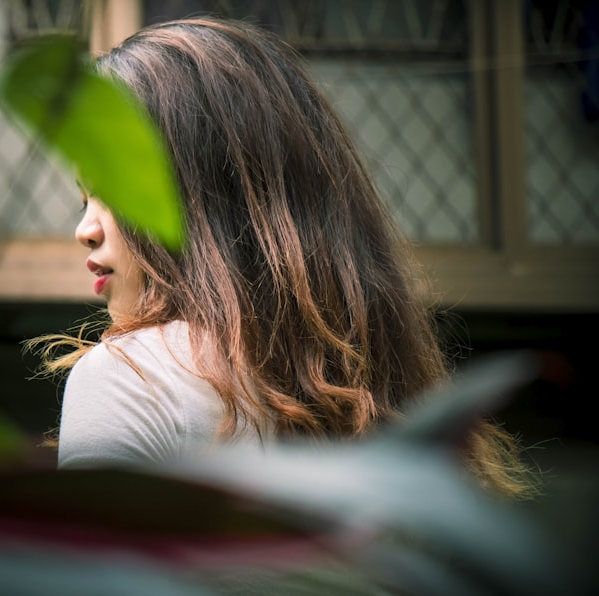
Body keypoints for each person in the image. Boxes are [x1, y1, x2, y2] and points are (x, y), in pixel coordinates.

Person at [28, 16, 538, 499]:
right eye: (83, 198)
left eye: (112, 191)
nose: (84, 230)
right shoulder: (386, 394)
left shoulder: (127, 381)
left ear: (203, 190)